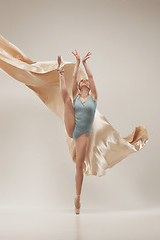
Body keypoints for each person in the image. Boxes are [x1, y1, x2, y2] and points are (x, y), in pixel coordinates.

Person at [57, 50, 98, 214]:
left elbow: (92, 78)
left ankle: (77, 197)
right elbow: (73, 78)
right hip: (72, 126)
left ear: (88, 85)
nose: (83, 80)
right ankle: (59, 72)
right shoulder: (75, 95)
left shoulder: (93, 98)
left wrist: (85, 64)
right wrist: (77, 62)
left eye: (85, 80)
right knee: (67, 101)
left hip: (83, 135)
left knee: (79, 166)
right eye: (82, 80)